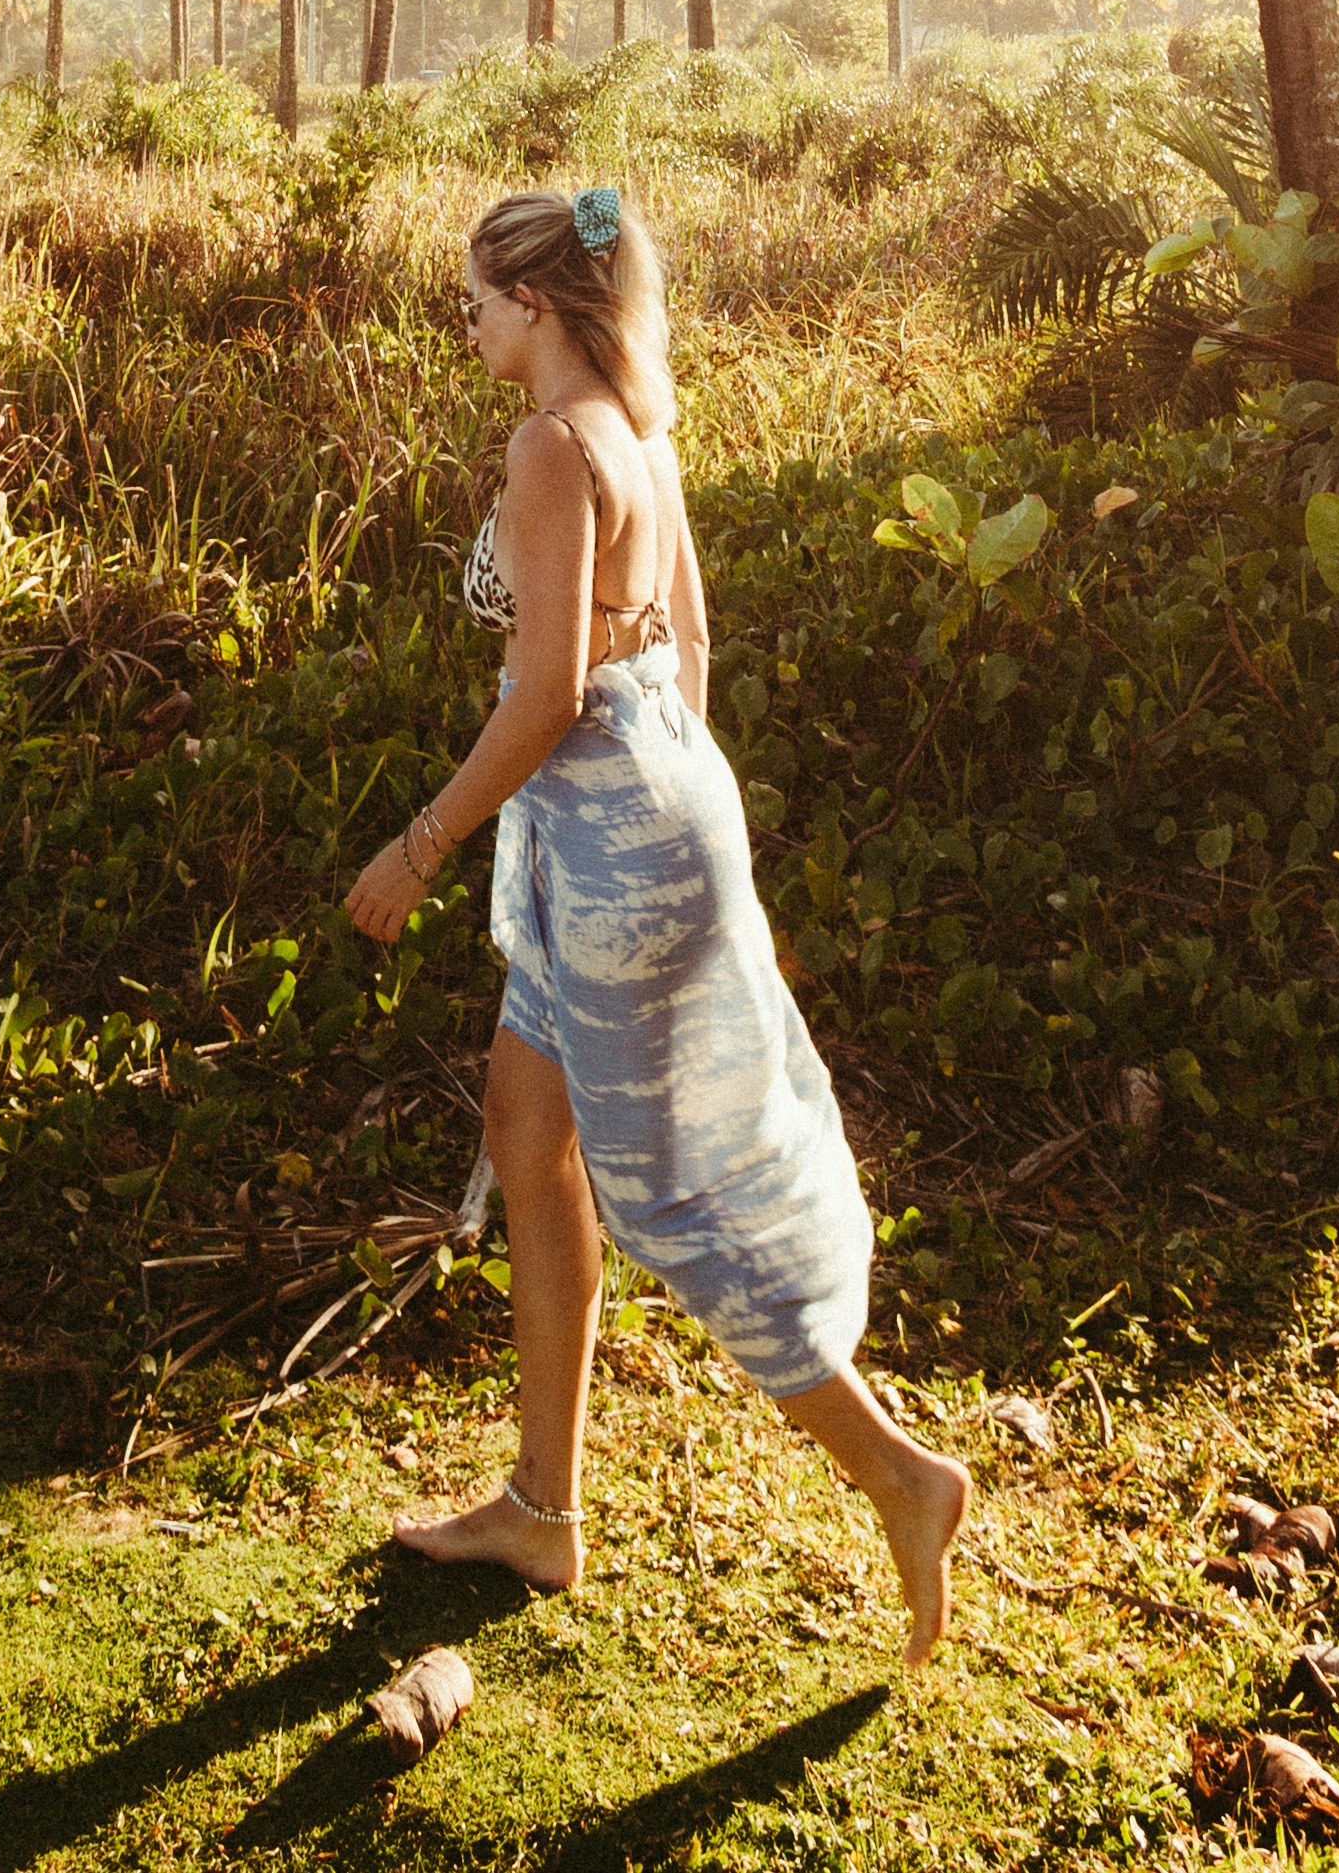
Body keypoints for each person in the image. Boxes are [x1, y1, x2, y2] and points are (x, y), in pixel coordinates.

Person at [344, 176, 968, 1665]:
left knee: (670, 1195)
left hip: (610, 843)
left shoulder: (553, 445)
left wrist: (420, 845)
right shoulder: (637, 427)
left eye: (479, 300)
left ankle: (901, 1474)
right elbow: (679, 643)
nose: (468, 321)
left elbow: (545, 692)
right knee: (522, 1121)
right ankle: (541, 1508)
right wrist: (664, 801)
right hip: (651, 808)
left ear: (540, 304)